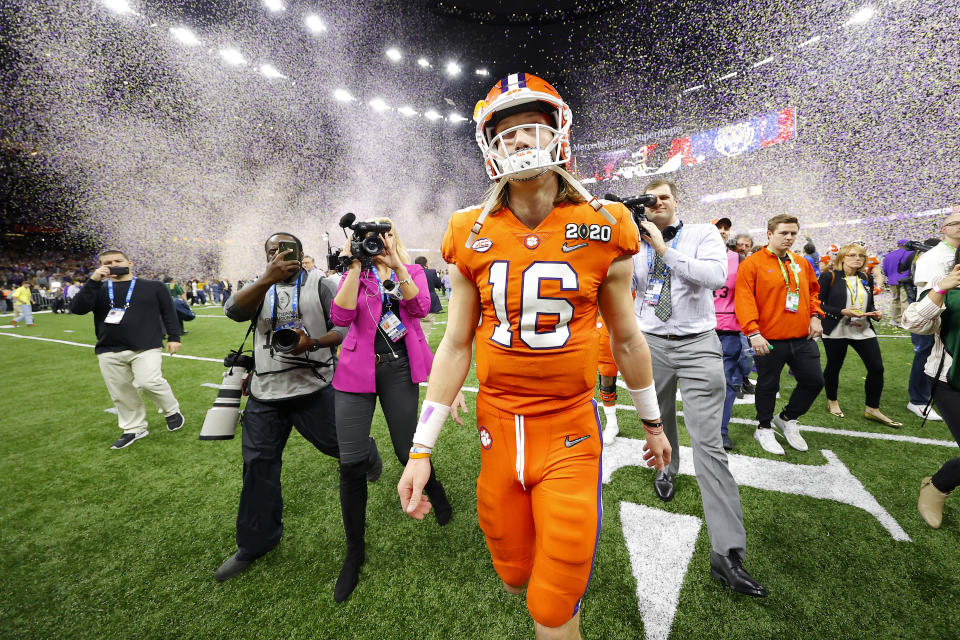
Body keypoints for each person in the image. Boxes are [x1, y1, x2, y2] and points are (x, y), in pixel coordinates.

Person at [397, 73, 673, 639]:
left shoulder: (605, 223)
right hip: (497, 427)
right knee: (513, 576)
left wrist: (652, 422)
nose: (520, 141)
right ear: (490, 147)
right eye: (507, 132)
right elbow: (454, 344)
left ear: (558, 134)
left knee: (553, 604)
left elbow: (626, 338)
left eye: (532, 128)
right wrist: (420, 448)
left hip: (569, 427)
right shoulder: (467, 229)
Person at [214, 232, 383, 582]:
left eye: (285, 250)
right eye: (271, 251)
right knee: (258, 468)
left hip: (314, 386)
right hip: (265, 392)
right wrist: (266, 279)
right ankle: (255, 543)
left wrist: (314, 342)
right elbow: (232, 312)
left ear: (301, 253)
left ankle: (367, 453)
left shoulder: (321, 284)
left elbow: (345, 326)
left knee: (341, 447)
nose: (279, 255)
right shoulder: (256, 285)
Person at [635, 182, 765, 596]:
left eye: (664, 197)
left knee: (708, 443)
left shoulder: (704, 234)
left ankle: (727, 552)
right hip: (650, 342)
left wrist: (662, 249)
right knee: (659, 419)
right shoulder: (630, 240)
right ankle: (666, 468)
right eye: (649, 199)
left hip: (698, 343)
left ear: (675, 202)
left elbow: (713, 277)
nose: (656, 203)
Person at [330, 219, 460, 602]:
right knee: (350, 462)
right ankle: (354, 552)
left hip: (399, 368)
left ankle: (436, 492)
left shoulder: (413, 269)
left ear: (392, 237)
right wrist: (355, 264)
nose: (375, 243)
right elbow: (340, 318)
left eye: (381, 236)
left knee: (409, 450)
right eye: (367, 238)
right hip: (356, 370)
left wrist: (398, 265)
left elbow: (420, 307)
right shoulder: (357, 272)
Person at [69, 249, 185, 449]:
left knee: (149, 381)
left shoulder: (154, 286)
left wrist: (174, 337)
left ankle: (171, 410)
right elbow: (77, 309)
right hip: (108, 347)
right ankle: (134, 428)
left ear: (129, 263)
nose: (113, 264)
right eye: (108, 262)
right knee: (121, 392)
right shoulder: (98, 288)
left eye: (118, 260)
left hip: (146, 345)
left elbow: (169, 312)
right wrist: (94, 280)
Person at [736, 214, 824, 455]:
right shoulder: (752, 263)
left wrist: (815, 316)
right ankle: (763, 427)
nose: (789, 237)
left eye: (793, 233)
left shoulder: (801, 262)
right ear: (769, 234)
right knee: (767, 385)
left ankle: (787, 418)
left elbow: (814, 293)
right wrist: (753, 332)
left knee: (814, 381)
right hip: (768, 338)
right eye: (783, 233)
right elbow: (744, 300)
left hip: (801, 337)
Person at [902, 262, 960, 532]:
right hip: (950, 379)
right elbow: (913, 322)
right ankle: (938, 485)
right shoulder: (946, 278)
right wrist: (940, 289)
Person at [818, 244, 900, 426]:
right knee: (834, 366)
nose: (857, 258)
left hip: (862, 329)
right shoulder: (828, 276)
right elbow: (818, 304)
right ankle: (832, 401)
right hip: (836, 329)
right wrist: (842, 311)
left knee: (877, 368)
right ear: (842, 258)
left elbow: (868, 303)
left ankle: (872, 408)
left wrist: (874, 312)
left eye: (861, 256)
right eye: (852, 255)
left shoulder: (866, 277)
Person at [713, 217, 745, 451]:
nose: (723, 231)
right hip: (698, 329)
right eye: (718, 227)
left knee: (727, 381)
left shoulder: (739, 259)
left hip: (728, 330)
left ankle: (722, 429)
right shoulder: (695, 256)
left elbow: (748, 294)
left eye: (726, 228)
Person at [882, 239, 913, 325]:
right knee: (904, 301)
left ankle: (895, 319)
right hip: (905, 280)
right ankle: (905, 321)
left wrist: (891, 277)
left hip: (892, 281)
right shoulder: (911, 253)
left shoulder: (888, 255)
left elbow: (884, 269)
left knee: (895, 300)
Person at [413, 255, 445, 338]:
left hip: (415, 303)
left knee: (416, 333)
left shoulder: (411, 272)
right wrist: (439, 277)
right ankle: (422, 350)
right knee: (425, 333)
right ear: (426, 264)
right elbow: (439, 285)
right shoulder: (431, 272)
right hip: (430, 303)